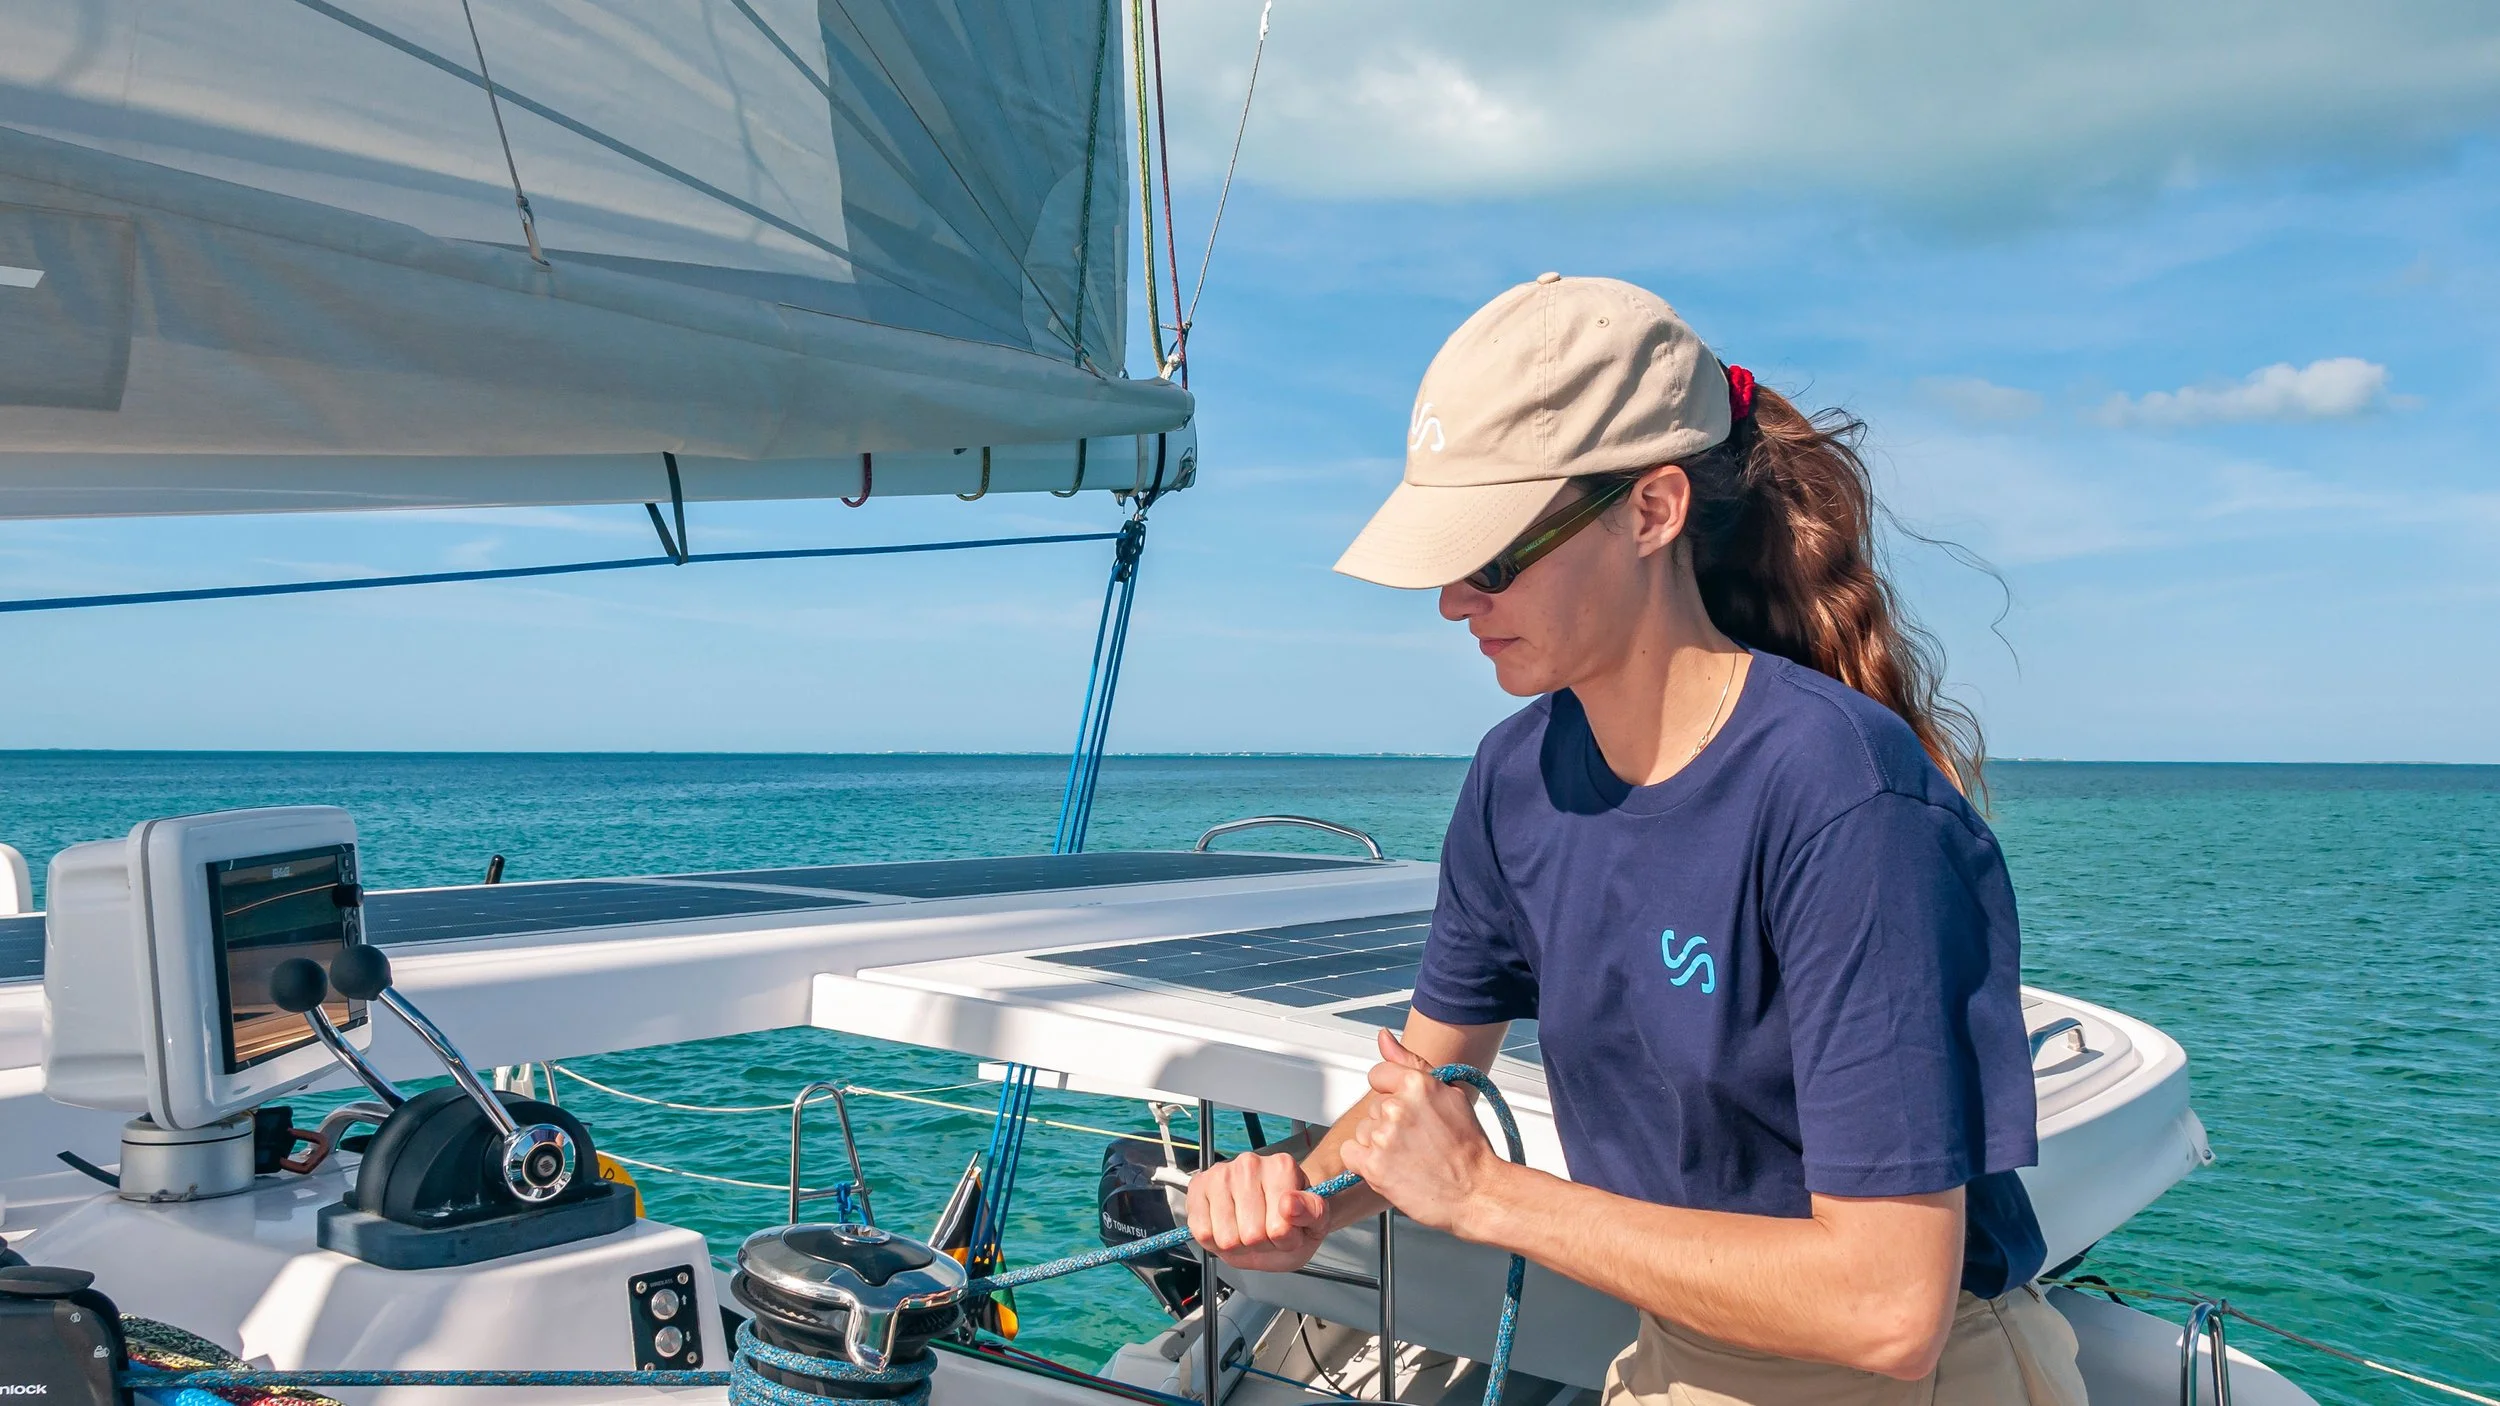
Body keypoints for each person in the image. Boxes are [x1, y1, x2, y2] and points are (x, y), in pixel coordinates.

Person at [1186, 273, 2085, 1405]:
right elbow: (1427, 1090)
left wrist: (1486, 1197)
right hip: (1675, 1358)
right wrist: (1297, 1190)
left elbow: (1887, 1303)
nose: (1455, 601)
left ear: (1653, 512)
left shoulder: (1843, 798)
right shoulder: (1514, 780)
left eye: (1494, 555)